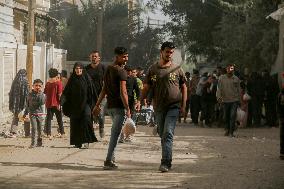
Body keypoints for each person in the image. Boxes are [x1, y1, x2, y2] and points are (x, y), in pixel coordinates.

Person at [136, 41, 187, 172]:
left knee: (168, 133)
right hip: (159, 107)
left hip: (173, 106)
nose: (169, 54)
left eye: (171, 52)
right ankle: (163, 139)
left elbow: (184, 87)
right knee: (162, 133)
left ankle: (166, 163)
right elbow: (147, 86)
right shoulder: (153, 69)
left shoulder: (177, 69)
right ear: (161, 52)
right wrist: (139, 100)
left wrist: (184, 105)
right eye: (167, 52)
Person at [93, 47, 130, 170]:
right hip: (119, 108)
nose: (126, 59)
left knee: (116, 134)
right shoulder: (121, 71)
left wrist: (97, 104)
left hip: (110, 107)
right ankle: (108, 161)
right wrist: (128, 108)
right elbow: (123, 92)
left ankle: (111, 159)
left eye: (127, 56)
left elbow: (104, 89)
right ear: (117, 57)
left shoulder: (108, 69)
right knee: (115, 135)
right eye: (124, 56)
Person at [63, 62, 98, 148]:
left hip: (86, 104)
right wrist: (62, 101)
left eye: (79, 69)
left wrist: (95, 104)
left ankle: (86, 140)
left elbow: (92, 91)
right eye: (76, 69)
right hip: (74, 105)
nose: (78, 70)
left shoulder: (87, 79)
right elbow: (66, 92)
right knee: (75, 123)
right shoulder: (72, 80)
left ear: (82, 69)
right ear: (74, 70)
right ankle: (77, 142)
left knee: (86, 120)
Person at [86, 50, 106, 138]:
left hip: (101, 95)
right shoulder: (86, 69)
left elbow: (108, 81)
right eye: (92, 56)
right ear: (90, 58)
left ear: (99, 58)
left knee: (100, 114)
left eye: (95, 56)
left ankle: (101, 128)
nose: (94, 58)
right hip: (90, 95)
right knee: (89, 114)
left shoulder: (103, 68)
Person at [216, 64, 241, 137]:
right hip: (225, 100)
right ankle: (227, 129)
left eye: (232, 69)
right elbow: (219, 89)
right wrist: (219, 97)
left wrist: (240, 100)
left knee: (233, 116)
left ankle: (231, 132)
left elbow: (239, 90)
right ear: (226, 69)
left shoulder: (236, 79)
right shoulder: (221, 78)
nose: (230, 70)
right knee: (225, 116)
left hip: (234, 100)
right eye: (229, 68)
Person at [23, 79, 45, 148]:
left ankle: (39, 142)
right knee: (34, 128)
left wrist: (40, 94)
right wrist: (25, 113)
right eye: (36, 85)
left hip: (39, 114)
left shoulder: (42, 95)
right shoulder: (29, 95)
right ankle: (33, 143)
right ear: (33, 86)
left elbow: (42, 102)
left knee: (40, 129)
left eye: (39, 86)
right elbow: (27, 105)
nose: (37, 87)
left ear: (41, 87)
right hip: (32, 114)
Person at [44, 68, 65, 139]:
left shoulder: (47, 83)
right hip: (56, 104)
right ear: (56, 75)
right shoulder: (58, 83)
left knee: (49, 119)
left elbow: (45, 93)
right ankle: (62, 133)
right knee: (59, 119)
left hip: (49, 104)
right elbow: (59, 94)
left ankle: (48, 134)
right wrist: (61, 103)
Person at [8, 69, 30, 137]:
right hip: (23, 103)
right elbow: (27, 94)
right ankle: (27, 133)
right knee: (26, 117)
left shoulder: (14, 82)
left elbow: (11, 93)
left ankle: (13, 132)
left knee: (16, 117)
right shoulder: (25, 82)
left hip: (15, 104)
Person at [278, 83, 284, 160]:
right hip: (282, 117)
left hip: (282, 117)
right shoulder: (281, 95)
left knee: (282, 134)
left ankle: (282, 152)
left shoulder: (280, 95)